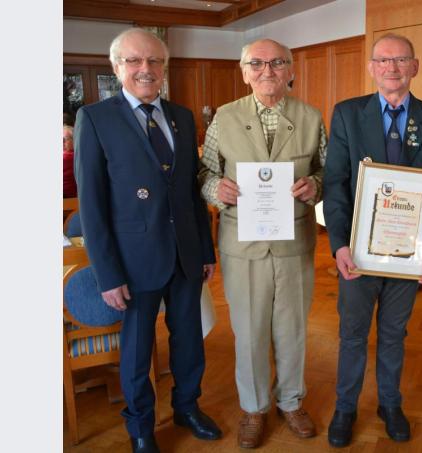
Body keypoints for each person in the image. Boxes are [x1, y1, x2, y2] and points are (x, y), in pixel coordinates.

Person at [74, 28, 220, 453]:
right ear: (117, 67)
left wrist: (206, 251)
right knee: (137, 353)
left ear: (164, 68)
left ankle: (187, 407)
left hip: (186, 257)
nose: (146, 69)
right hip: (133, 264)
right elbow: (92, 207)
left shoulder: (182, 115)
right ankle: (140, 428)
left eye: (154, 61)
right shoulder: (95, 119)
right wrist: (107, 274)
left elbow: (191, 193)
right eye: (135, 61)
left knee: (189, 340)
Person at [322, 33, 422, 447]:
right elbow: (336, 184)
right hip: (358, 254)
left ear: (415, 67)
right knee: (352, 333)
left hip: (408, 256)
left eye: (400, 60)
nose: (392, 68)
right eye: (383, 61)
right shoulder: (347, 114)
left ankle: (390, 403)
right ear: (372, 69)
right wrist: (340, 244)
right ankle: (345, 408)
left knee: (395, 334)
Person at [198, 38, 325, 448]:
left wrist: (315, 186)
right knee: (249, 331)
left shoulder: (310, 116)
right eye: (257, 63)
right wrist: (219, 188)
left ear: (290, 70)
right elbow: (202, 173)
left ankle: (291, 401)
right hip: (243, 244)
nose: (267, 71)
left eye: (277, 63)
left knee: (292, 329)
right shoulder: (224, 117)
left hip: (294, 241)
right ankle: (253, 408)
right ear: (244, 70)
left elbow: (327, 170)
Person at [63, 125, 77, 198]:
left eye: (63, 139)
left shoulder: (68, 157)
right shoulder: (79, 155)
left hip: (67, 203)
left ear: (74, 140)